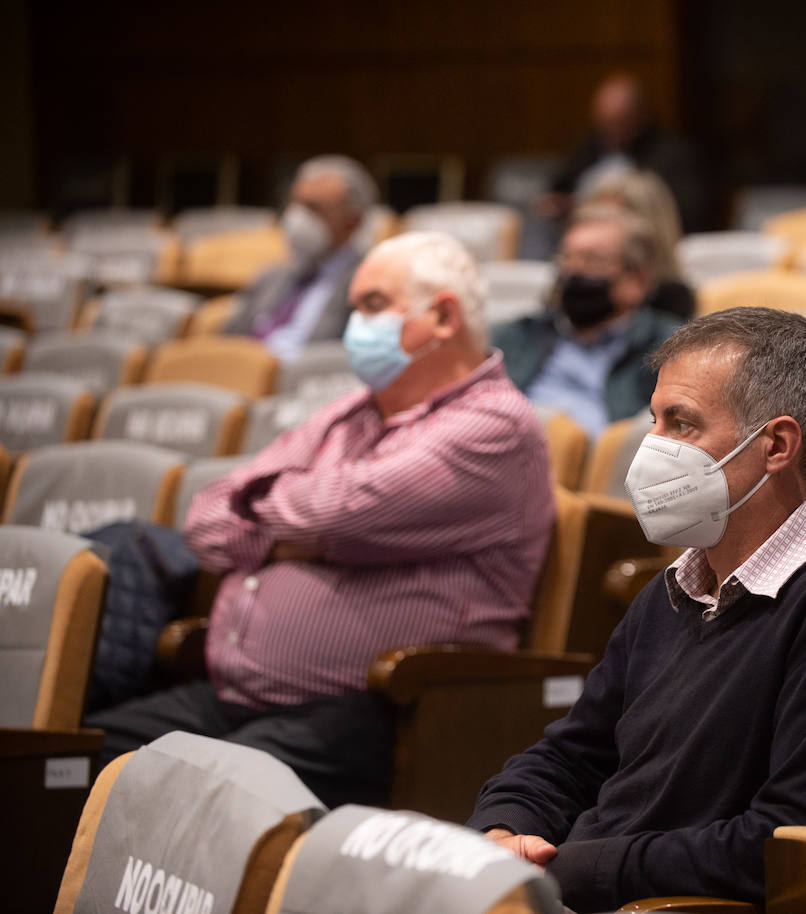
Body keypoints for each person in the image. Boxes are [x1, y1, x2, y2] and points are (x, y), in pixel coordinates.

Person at [469, 307, 806, 912]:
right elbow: (570, 756)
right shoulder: (676, 588)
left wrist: (570, 869)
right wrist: (503, 833)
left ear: (775, 445)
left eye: (682, 424)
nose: (651, 448)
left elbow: (793, 848)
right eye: (654, 420)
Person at [86, 232, 555, 806]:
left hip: (382, 710)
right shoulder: (348, 413)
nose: (353, 324)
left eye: (373, 305)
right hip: (233, 698)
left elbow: (340, 515)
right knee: (76, 768)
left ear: (443, 316)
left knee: (186, 798)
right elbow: (209, 520)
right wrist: (297, 532)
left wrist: (286, 521)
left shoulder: (496, 425)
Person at [494, 204, 683, 435]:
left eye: (593, 261)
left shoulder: (670, 351)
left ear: (637, 280)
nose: (574, 272)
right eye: (567, 259)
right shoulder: (516, 335)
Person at [222, 155, 377, 362]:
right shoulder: (269, 276)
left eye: (313, 208)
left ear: (352, 221)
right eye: (294, 204)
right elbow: (224, 342)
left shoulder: (368, 284)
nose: (296, 217)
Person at [539, 72, 707, 234]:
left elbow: (684, 213)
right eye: (603, 122)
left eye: (618, 122)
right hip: (582, 230)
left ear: (640, 116)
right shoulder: (591, 145)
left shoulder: (672, 154)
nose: (610, 131)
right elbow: (559, 186)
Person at [586, 169, 696, 319]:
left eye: (617, 221)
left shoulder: (672, 297)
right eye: (597, 218)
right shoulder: (572, 281)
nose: (599, 232)